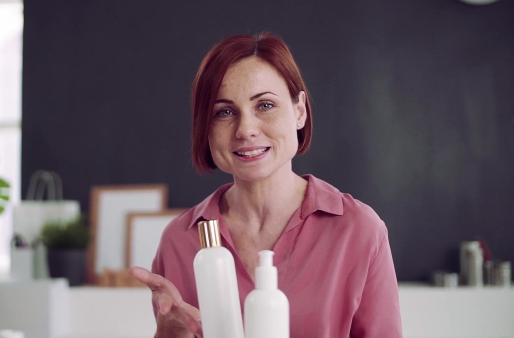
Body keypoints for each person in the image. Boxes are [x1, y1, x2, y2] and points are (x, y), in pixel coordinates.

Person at [130, 32, 402, 338]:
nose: (246, 130)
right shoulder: (180, 241)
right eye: (225, 112)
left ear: (299, 111)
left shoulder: (360, 230)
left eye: (265, 105)